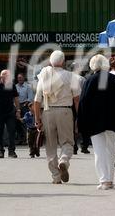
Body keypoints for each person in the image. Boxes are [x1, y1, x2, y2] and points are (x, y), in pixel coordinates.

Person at [78, 54, 115, 190]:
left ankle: (104, 180)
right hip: (113, 121)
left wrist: (81, 121)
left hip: (95, 122)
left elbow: (83, 102)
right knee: (110, 150)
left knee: (99, 151)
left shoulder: (89, 80)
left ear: (92, 66)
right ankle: (110, 179)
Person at [34, 50, 80, 184]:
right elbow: (77, 100)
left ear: (50, 62)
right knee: (67, 142)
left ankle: (56, 176)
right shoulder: (71, 76)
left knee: (50, 145)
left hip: (47, 112)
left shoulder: (43, 76)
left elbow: (37, 101)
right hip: (65, 111)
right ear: (63, 62)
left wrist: (37, 119)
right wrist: (79, 117)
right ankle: (64, 160)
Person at [0, 70, 21, 159]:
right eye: (4, 76)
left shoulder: (12, 85)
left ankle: (11, 151)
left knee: (12, 131)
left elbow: (16, 98)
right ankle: (1, 151)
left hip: (10, 112)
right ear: (1, 76)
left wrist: (18, 110)